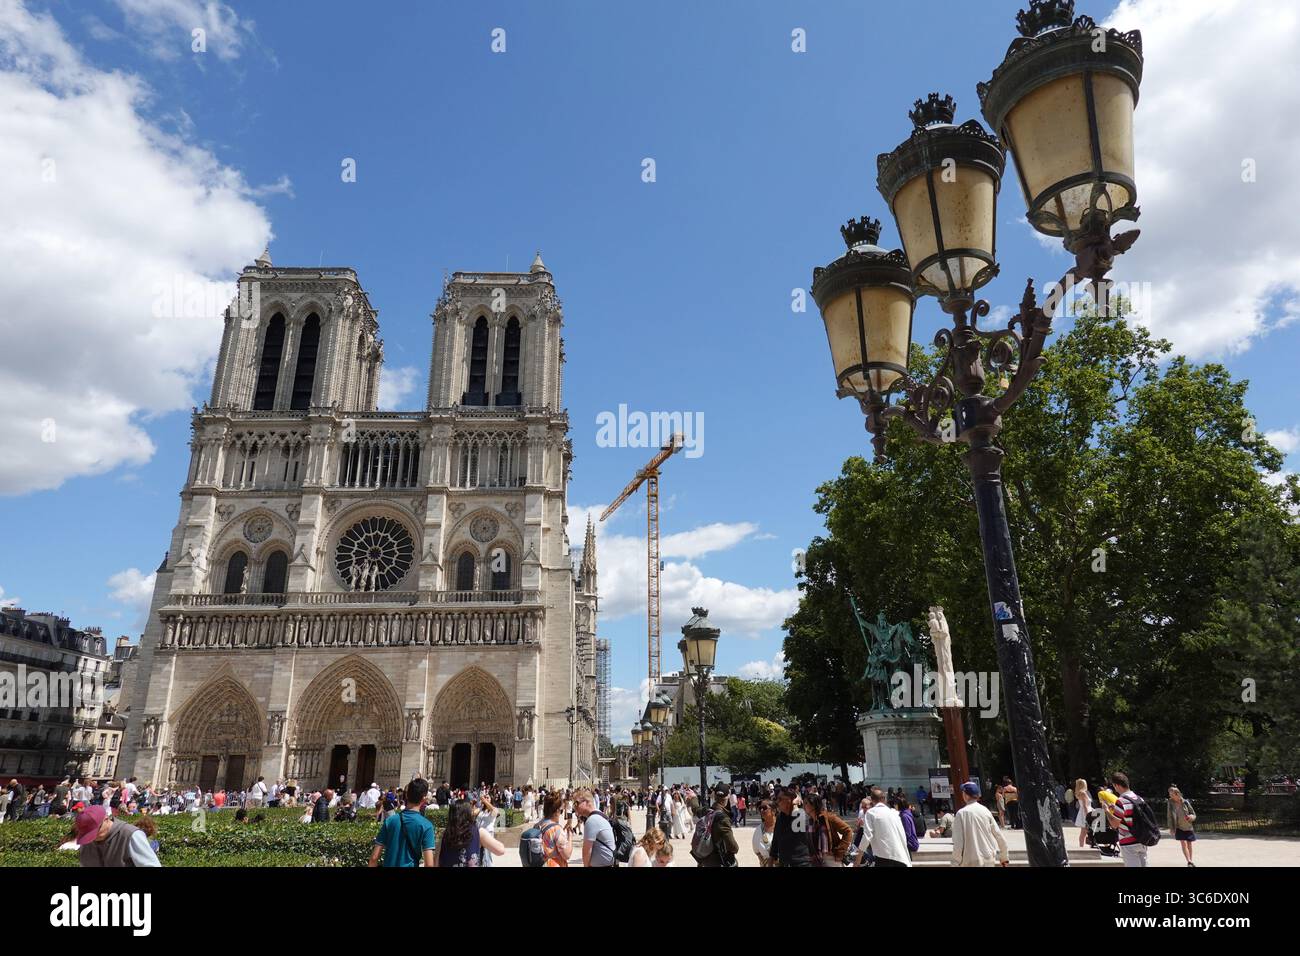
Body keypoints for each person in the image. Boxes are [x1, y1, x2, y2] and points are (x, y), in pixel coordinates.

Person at [369, 779, 435, 868]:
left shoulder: (390, 821)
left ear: (406, 795)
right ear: (424, 798)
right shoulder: (426, 825)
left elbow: (374, 857)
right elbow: (429, 864)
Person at [75, 805, 161, 867]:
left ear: (106, 819)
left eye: (95, 830)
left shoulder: (130, 835)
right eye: (87, 833)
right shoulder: (86, 840)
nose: (93, 836)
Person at [951, 782, 1009, 867]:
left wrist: (955, 863)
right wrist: (1004, 857)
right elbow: (999, 835)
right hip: (988, 858)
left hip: (970, 860)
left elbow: (958, 843)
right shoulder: (985, 811)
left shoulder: (961, 814)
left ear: (966, 795)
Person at [435, 798, 505, 867]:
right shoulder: (479, 832)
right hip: (485, 835)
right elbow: (500, 850)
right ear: (468, 813)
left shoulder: (445, 834)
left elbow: (436, 861)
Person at [1105, 772, 1152, 868]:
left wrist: (1106, 811)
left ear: (1117, 785)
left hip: (1128, 842)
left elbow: (1114, 824)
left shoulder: (1121, 801)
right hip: (1142, 839)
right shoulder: (1139, 799)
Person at [854, 787, 911, 867]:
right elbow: (903, 836)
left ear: (872, 800)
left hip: (884, 858)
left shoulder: (871, 813)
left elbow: (867, 837)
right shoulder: (894, 813)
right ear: (884, 799)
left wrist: (857, 859)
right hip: (901, 858)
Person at [692, 785, 740, 867]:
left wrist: (693, 797)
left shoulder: (707, 811)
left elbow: (696, 809)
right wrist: (736, 848)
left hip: (704, 859)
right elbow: (732, 846)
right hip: (718, 861)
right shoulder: (723, 818)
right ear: (727, 797)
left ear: (714, 797)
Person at [805, 792, 853, 866]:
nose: (803, 806)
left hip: (832, 858)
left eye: (806, 803)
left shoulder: (829, 818)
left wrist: (840, 851)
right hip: (818, 859)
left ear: (813, 805)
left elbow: (848, 831)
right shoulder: (810, 821)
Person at [574, 787, 616, 868]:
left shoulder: (592, 820)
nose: (575, 807)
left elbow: (587, 851)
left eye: (576, 803)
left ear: (586, 802)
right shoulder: (599, 814)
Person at [771, 787, 812, 867]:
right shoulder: (780, 817)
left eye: (780, 799)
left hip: (802, 863)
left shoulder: (803, 817)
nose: (777, 802)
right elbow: (776, 839)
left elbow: (813, 839)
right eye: (777, 799)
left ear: (789, 800)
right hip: (783, 863)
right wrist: (771, 858)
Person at [537, 791, 571, 867]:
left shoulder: (537, 825)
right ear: (557, 811)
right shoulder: (556, 829)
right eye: (561, 811)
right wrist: (570, 836)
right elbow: (567, 855)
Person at [1167, 786, 1197, 866]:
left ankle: (1190, 861)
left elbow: (1193, 814)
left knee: (1189, 844)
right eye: (1170, 794)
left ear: (1177, 794)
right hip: (1178, 826)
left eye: (1172, 794)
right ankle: (1189, 860)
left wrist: (1191, 817)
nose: (1171, 796)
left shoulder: (1185, 802)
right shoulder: (1170, 803)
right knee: (1183, 843)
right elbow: (1169, 816)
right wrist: (1171, 828)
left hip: (1188, 826)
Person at [752, 799, 777, 866]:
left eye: (765, 808)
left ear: (773, 811)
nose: (761, 810)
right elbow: (757, 851)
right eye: (760, 808)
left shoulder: (782, 827)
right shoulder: (758, 830)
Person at [1073, 778, 1092, 848]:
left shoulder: (1079, 792)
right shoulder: (1083, 793)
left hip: (1082, 812)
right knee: (1085, 832)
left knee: (1083, 832)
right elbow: (1085, 806)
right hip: (1085, 813)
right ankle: (1082, 846)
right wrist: (1088, 816)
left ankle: (1081, 846)